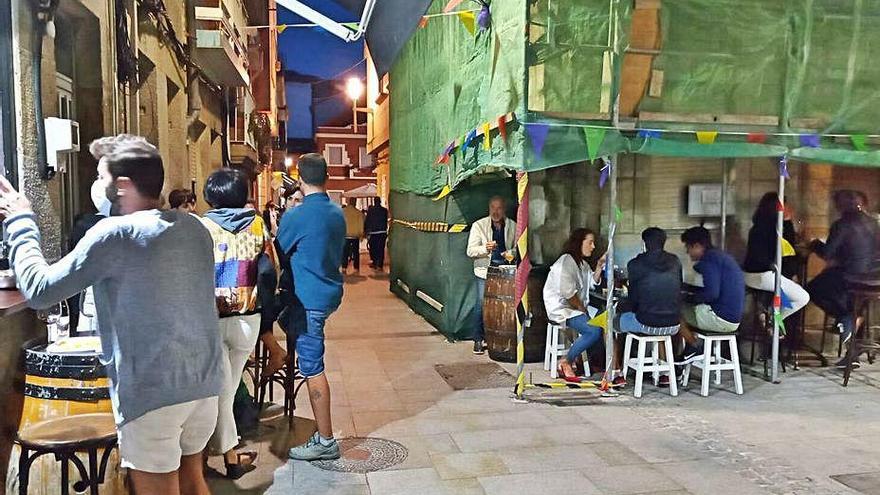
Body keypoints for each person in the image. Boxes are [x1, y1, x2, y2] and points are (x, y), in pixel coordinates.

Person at [0, 135, 224, 495]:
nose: (97, 186)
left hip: (154, 392)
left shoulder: (114, 234)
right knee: (194, 483)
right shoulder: (193, 228)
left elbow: (40, 290)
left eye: (100, 177)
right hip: (203, 385)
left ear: (122, 185)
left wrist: (21, 221)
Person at [199, 168, 285, 479]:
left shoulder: (202, 226)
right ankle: (228, 454)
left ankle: (224, 456)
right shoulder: (258, 225)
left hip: (210, 318)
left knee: (219, 391)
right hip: (248, 319)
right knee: (227, 387)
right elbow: (270, 269)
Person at [276, 153, 345, 461]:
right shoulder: (335, 211)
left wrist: (287, 209)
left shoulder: (297, 215)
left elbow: (279, 247)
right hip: (329, 292)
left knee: (312, 367)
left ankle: (326, 440)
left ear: (300, 179)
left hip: (308, 300)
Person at [807, 190, 880, 366]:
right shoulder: (874, 223)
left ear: (841, 206)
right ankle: (852, 330)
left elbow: (827, 253)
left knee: (814, 288)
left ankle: (846, 319)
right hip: (875, 280)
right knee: (847, 296)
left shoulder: (841, 224)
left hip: (853, 278)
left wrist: (813, 243)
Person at [614, 227, 682, 385]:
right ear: (664, 243)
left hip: (646, 322)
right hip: (673, 325)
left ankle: (616, 373)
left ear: (644, 244)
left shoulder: (635, 264)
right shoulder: (675, 261)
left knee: (610, 324)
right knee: (658, 324)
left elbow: (633, 300)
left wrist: (621, 307)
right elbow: (678, 288)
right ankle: (665, 373)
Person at [543, 228, 605, 381]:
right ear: (579, 243)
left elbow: (591, 282)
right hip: (562, 308)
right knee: (593, 330)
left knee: (604, 320)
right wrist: (582, 309)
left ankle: (595, 361)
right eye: (590, 243)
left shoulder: (582, 263)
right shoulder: (566, 262)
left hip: (575, 308)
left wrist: (599, 266)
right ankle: (566, 361)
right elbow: (568, 293)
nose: (593, 247)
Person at [679, 226, 745, 362]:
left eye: (688, 247)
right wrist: (688, 290)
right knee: (685, 310)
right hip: (733, 318)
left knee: (673, 313)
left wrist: (687, 298)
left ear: (697, 246)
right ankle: (689, 352)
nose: (687, 252)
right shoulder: (720, 257)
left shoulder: (708, 261)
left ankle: (694, 347)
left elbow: (711, 294)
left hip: (720, 318)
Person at [742, 192, 810, 321]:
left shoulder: (757, 226)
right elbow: (787, 251)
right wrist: (788, 222)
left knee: (783, 290)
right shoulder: (776, 229)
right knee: (802, 297)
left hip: (749, 275)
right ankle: (774, 320)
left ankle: (766, 312)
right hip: (765, 275)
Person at [466, 196, 517, 354]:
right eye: (493, 208)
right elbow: (470, 251)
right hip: (485, 271)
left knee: (505, 307)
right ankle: (478, 339)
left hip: (505, 272)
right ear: (489, 209)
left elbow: (517, 248)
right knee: (481, 305)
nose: (496, 212)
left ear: (504, 209)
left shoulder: (512, 226)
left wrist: (511, 253)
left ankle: (501, 338)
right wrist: (485, 249)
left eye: (499, 208)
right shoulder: (479, 226)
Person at [364, 198, 388, 270]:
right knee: (381, 248)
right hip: (382, 232)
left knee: (373, 248)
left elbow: (367, 221)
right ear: (380, 202)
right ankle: (380, 265)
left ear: (374, 202)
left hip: (373, 232)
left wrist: (366, 230)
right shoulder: (384, 210)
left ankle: (375, 262)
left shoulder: (371, 211)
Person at [341, 198, 364, 271]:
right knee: (356, 252)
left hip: (345, 234)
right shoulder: (358, 213)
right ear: (355, 203)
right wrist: (361, 234)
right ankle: (356, 267)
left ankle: (344, 267)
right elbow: (361, 224)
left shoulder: (343, 212)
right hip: (355, 235)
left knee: (345, 252)